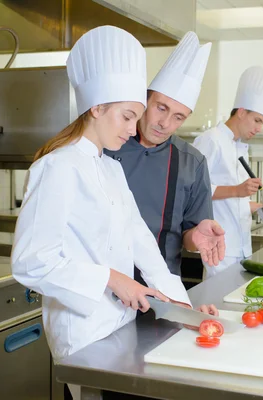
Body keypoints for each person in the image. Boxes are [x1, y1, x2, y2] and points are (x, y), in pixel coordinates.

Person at [11, 26, 218, 368]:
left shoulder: (111, 168)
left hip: (121, 327)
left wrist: (184, 308)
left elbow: (143, 245)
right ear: (97, 107)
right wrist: (112, 278)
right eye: (127, 116)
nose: (133, 129)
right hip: (82, 336)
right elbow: (30, 262)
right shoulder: (57, 167)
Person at [105, 31, 225, 283]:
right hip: (103, 281)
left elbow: (189, 236)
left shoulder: (192, 162)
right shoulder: (107, 144)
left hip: (160, 285)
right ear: (145, 100)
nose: (165, 123)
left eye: (178, 117)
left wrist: (196, 238)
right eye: (161, 108)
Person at [193, 66, 263, 278]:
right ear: (241, 112)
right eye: (257, 120)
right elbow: (194, 190)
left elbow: (230, 202)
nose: (259, 128)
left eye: (262, 123)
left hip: (241, 247)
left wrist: (256, 207)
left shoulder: (239, 147)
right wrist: (237, 190)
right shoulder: (210, 140)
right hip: (219, 248)